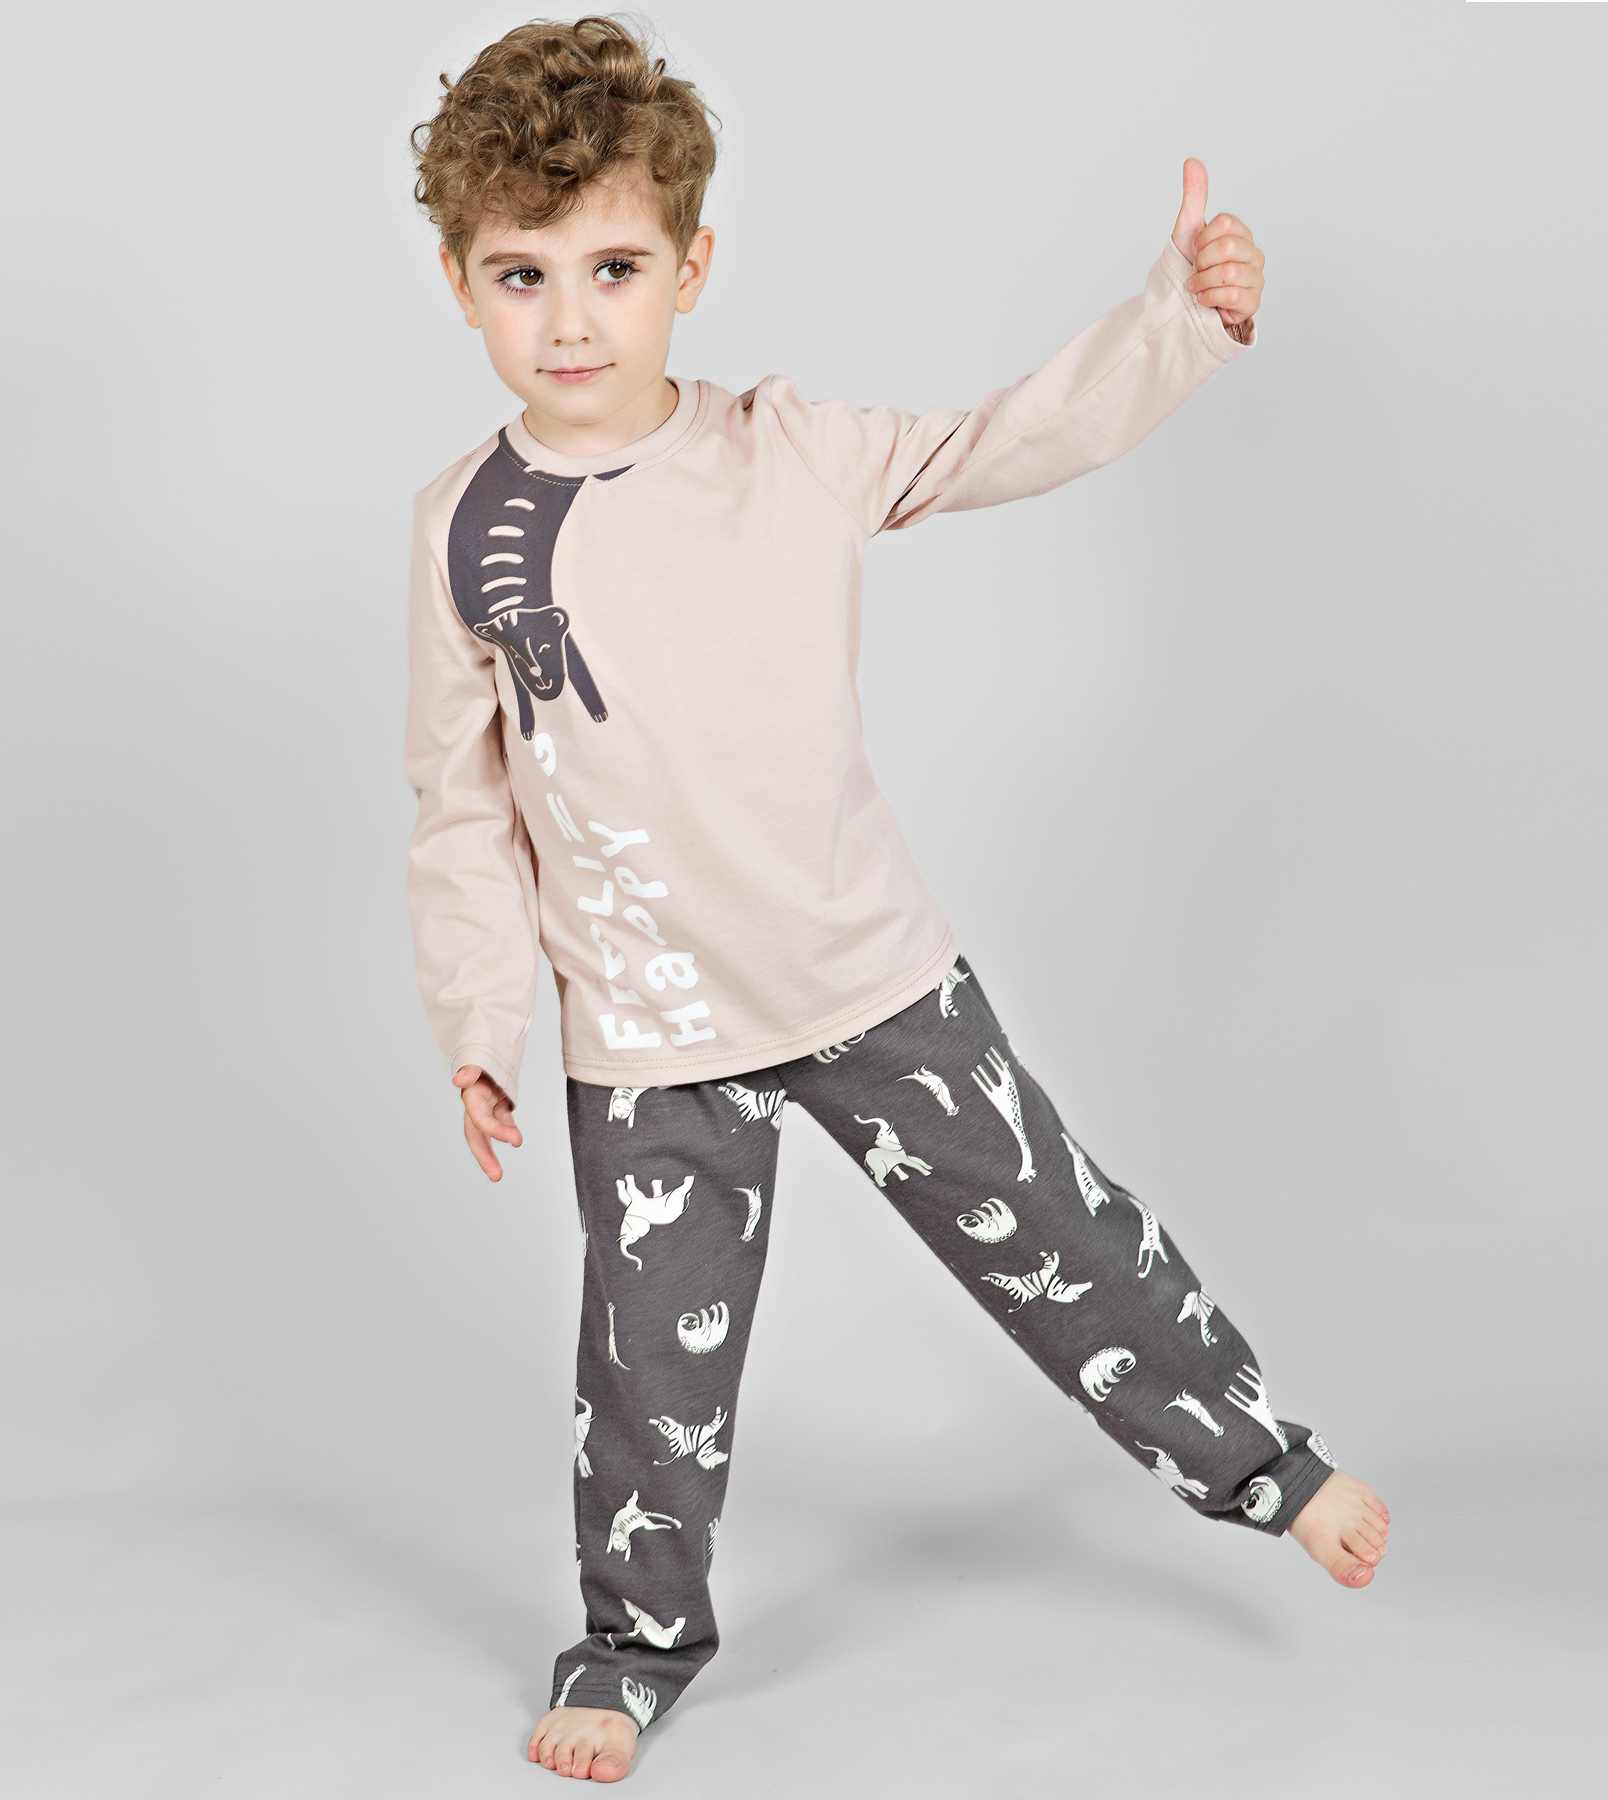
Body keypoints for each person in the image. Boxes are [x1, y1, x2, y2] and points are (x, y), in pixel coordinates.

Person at [404, 15, 1390, 1784]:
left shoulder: (790, 448)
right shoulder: (459, 523)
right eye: (520, 276)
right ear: (462, 283)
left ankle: (1269, 1466)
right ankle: (632, 1645)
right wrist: (477, 1016)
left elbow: (1004, 440)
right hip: (648, 1029)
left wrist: (1174, 323)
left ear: (692, 268)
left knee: (1067, 1235)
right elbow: (461, 803)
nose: (569, 322)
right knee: (646, 1378)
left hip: (869, 980)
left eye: (613, 269)